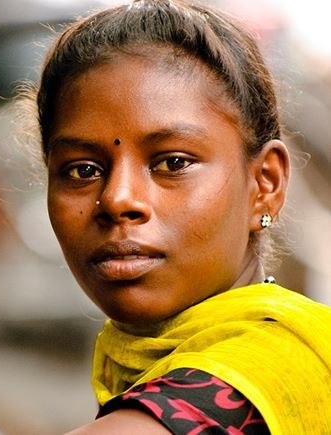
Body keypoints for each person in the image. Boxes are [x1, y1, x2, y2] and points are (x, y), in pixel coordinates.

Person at [30, 0, 331, 433]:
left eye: (172, 163)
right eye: (83, 170)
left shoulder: (268, 371)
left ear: (265, 184)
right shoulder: (142, 377)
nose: (117, 199)